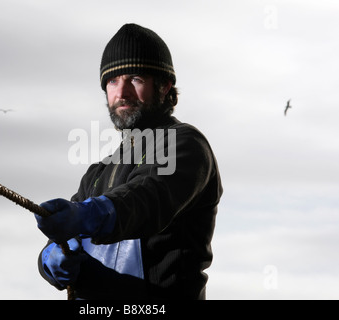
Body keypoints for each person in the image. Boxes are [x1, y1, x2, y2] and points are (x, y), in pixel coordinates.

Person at [35, 23, 223, 300]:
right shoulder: (98, 173)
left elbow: (147, 198)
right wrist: (49, 260)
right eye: (112, 81)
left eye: (134, 78)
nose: (121, 92)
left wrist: (90, 215)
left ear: (164, 86)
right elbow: (62, 243)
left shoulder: (186, 144)